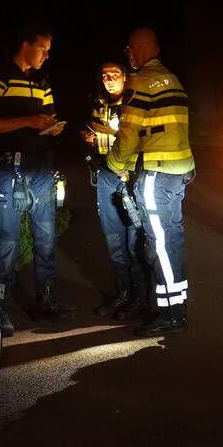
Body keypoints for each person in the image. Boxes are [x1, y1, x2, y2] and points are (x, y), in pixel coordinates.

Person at [0, 22, 71, 337]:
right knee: (7, 241)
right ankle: (1, 306)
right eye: (43, 49)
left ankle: (47, 298)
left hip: (40, 169)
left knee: (46, 238)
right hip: (8, 171)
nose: (46, 55)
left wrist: (51, 128)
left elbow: (48, 118)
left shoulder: (41, 83)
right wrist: (28, 120)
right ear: (26, 45)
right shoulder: (0, 78)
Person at [107, 28, 195, 336]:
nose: (127, 54)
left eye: (128, 48)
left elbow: (130, 131)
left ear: (136, 49)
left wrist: (115, 163)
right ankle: (177, 304)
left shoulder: (140, 82)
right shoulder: (173, 79)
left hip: (156, 174)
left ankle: (171, 314)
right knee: (172, 239)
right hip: (178, 170)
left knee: (158, 242)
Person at [82, 61, 148, 320]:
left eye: (114, 75)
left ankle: (140, 297)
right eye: (104, 75)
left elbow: (138, 137)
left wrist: (105, 134)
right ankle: (122, 294)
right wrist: (91, 138)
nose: (109, 79)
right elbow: (97, 134)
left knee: (135, 242)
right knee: (114, 241)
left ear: (125, 76)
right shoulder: (99, 104)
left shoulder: (135, 101)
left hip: (130, 178)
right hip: (106, 176)